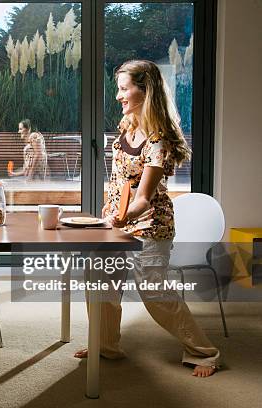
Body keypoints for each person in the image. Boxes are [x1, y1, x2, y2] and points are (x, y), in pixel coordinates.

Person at [74, 60, 220, 377]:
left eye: (124, 89)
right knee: (98, 280)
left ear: (146, 90)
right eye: (119, 89)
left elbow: (143, 198)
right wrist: (110, 212)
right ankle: (104, 346)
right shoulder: (128, 126)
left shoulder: (157, 140)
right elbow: (120, 182)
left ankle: (204, 352)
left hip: (149, 226)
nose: (118, 96)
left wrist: (121, 216)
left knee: (154, 292)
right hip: (116, 221)